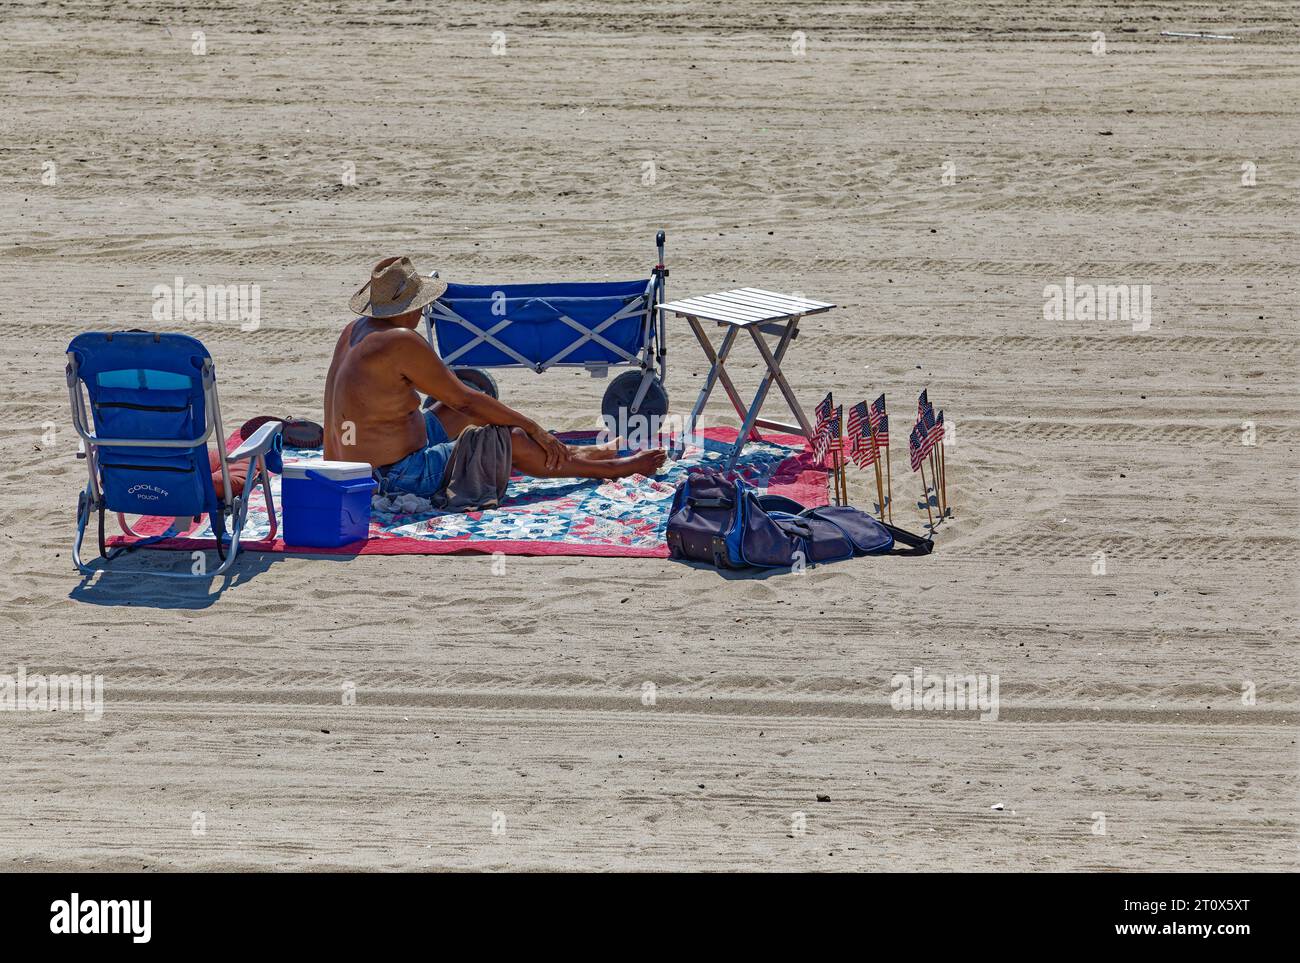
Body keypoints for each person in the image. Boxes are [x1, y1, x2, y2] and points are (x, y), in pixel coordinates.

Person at [323, 257, 666, 497]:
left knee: (461, 413)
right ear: (409, 307)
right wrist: (534, 428)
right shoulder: (401, 341)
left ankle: (585, 452)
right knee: (509, 439)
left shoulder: (355, 330)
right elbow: (467, 400)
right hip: (392, 477)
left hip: (351, 464)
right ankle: (606, 469)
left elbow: (460, 402)